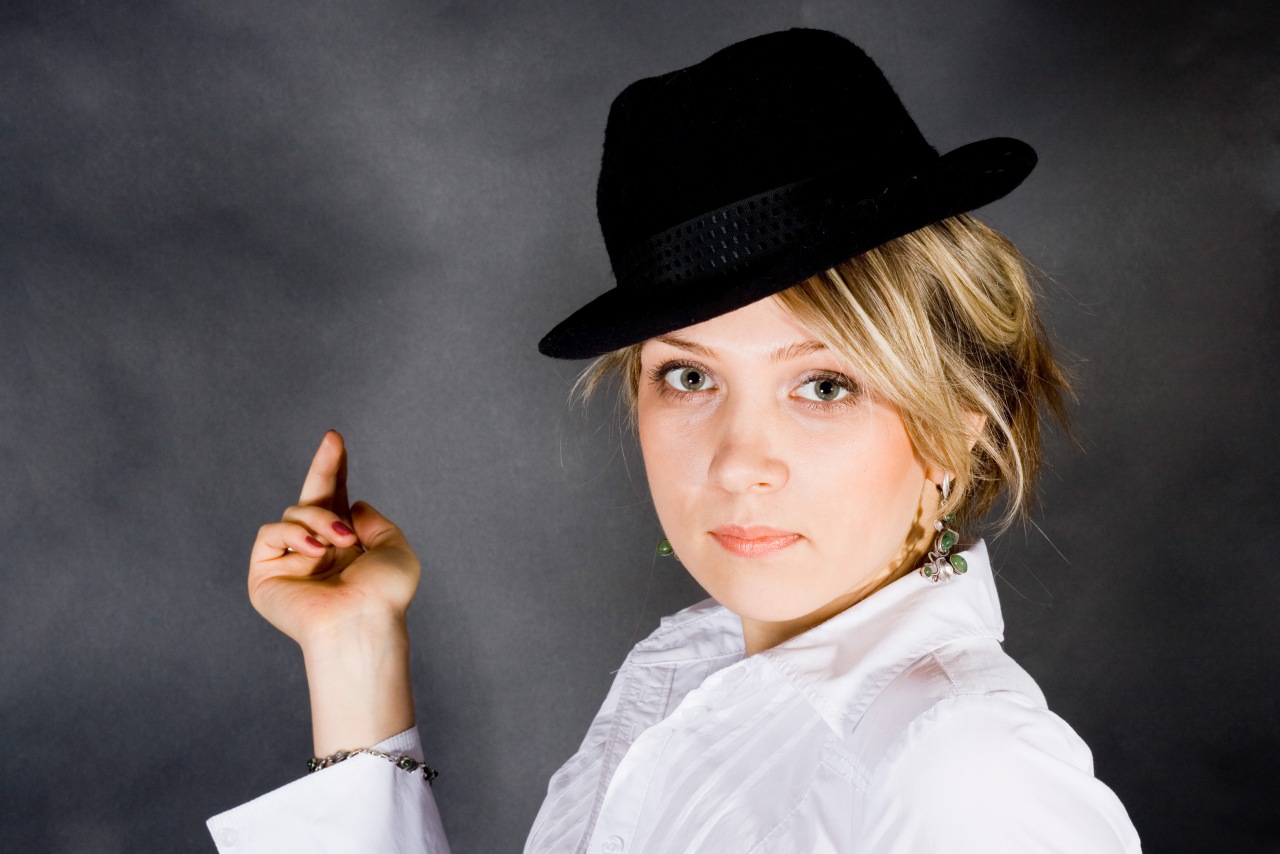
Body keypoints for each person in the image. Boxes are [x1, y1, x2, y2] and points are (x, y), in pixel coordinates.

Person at [207, 28, 1142, 853]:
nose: (738, 463)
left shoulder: (966, 772)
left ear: (956, 433)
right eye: (690, 377)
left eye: (825, 385)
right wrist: (356, 651)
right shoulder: (685, 680)